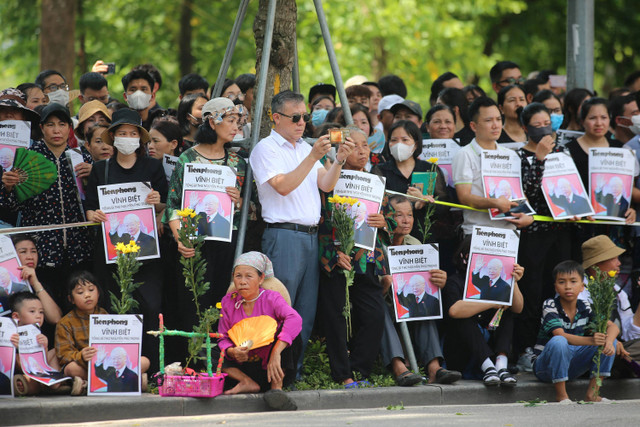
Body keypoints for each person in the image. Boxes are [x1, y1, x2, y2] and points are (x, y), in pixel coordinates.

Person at [249, 91, 354, 371]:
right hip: (283, 235)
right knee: (282, 307)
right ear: (276, 118)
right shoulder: (265, 149)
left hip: (309, 236)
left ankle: (292, 372)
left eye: (305, 117)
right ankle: (272, 372)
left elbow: (326, 184)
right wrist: (312, 157)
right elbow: (282, 186)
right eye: (295, 118)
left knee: (304, 312)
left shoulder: (303, 149)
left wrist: (340, 160)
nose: (302, 123)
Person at [163, 97, 245, 339]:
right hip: (193, 245)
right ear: (211, 122)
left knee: (222, 302)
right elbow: (173, 206)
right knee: (193, 303)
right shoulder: (187, 158)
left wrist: (238, 200)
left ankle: (219, 363)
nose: (235, 127)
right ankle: (195, 364)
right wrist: (182, 240)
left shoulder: (237, 163)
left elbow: (246, 210)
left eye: (237, 121)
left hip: (225, 243)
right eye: (230, 121)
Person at [0, 102, 93, 310]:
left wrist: (93, 176)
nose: (56, 130)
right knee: (45, 306)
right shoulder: (25, 158)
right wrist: (7, 188)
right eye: (50, 124)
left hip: (79, 249)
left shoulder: (82, 157)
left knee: (78, 306)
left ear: (70, 127)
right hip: (42, 250)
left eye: (62, 124)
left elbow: (93, 201)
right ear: (41, 128)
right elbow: (12, 207)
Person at [317, 127, 386, 387]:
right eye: (353, 145)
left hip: (367, 260)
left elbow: (388, 220)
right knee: (336, 316)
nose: (360, 150)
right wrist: (334, 253)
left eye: (365, 145)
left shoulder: (375, 181)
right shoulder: (329, 179)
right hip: (337, 259)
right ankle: (343, 374)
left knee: (374, 315)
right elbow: (320, 220)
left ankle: (361, 370)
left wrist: (384, 221)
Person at [514, 103, 574, 371]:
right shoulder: (517, 156)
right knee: (533, 291)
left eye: (547, 122)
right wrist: (538, 159)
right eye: (537, 125)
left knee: (561, 289)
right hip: (532, 237)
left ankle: (561, 343)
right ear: (525, 127)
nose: (544, 129)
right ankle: (526, 348)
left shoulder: (563, 154)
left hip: (561, 235)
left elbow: (571, 190)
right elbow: (526, 195)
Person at [379, 195, 460, 385]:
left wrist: (439, 280)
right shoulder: (377, 245)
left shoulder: (414, 243)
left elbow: (426, 282)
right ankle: (399, 367)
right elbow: (367, 293)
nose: (406, 220)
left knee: (426, 304)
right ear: (387, 218)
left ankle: (434, 368)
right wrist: (384, 285)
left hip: (408, 305)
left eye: (410, 215)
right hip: (385, 305)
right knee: (377, 308)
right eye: (399, 215)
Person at [217, 252, 301, 411]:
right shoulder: (228, 302)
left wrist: (276, 352)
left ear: (261, 278)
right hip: (242, 368)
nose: (242, 282)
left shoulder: (271, 298)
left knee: (290, 332)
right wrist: (232, 351)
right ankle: (246, 382)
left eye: (249, 276)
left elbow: (295, 319)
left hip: (271, 368)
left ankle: (276, 390)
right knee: (208, 347)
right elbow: (223, 336)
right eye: (238, 276)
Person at [532, 261, 618, 403]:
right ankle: (562, 395)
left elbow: (614, 327)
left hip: (571, 366)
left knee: (610, 340)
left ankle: (593, 394)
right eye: (562, 282)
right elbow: (560, 335)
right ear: (555, 287)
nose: (568, 287)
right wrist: (592, 340)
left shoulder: (586, 306)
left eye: (573, 281)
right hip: (545, 368)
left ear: (582, 287)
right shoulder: (550, 305)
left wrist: (608, 342)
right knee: (559, 341)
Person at [442, 237, 524, 386]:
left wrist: (514, 281)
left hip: (491, 348)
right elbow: (454, 311)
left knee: (507, 311)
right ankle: (488, 367)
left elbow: (518, 308)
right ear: (465, 256)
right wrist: (492, 303)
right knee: (464, 315)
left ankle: (501, 366)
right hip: (463, 356)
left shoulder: (497, 281)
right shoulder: (455, 281)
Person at [55, 271, 150, 391]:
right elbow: (63, 355)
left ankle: (89, 384)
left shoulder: (104, 314)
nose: (87, 295)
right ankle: (129, 381)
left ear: (98, 293)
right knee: (71, 369)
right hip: (86, 366)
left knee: (144, 361)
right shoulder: (65, 323)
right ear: (71, 299)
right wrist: (81, 356)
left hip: (110, 365)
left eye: (91, 290)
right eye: (80, 292)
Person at [452, 97, 533, 235]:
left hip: (509, 231)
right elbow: (464, 197)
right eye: (488, 120)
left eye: (498, 119)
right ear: (473, 126)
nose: (495, 125)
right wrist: (494, 203)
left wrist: (529, 216)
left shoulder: (511, 155)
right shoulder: (465, 154)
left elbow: (518, 192)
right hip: (478, 232)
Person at [371, 120, 449, 242]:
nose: (398, 144)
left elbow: (444, 205)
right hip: (391, 239)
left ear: (416, 144)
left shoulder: (429, 169)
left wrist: (425, 201)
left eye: (405, 140)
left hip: (425, 237)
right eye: (394, 140)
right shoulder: (380, 170)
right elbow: (375, 204)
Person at [9, 292, 80, 395]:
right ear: (16, 316)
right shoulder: (12, 334)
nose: (38, 316)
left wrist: (44, 347)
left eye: (41, 312)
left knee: (57, 351)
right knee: (29, 382)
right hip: (25, 372)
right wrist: (15, 348)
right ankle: (56, 386)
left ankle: (55, 383)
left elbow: (43, 364)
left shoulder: (38, 334)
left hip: (40, 372)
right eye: (32, 311)